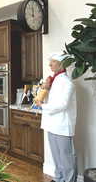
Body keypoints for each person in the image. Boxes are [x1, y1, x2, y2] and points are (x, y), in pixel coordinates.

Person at [36, 53, 77, 182]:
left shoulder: (67, 83)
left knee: (66, 157)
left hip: (63, 126)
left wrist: (42, 106)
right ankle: (59, 178)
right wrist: (45, 87)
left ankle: (69, 180)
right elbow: (40, 98)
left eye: (53, 62)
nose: (50, 64)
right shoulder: (51, 81)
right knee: (56, 156)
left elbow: (62, 105)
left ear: (61, 65)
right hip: (51, 125)